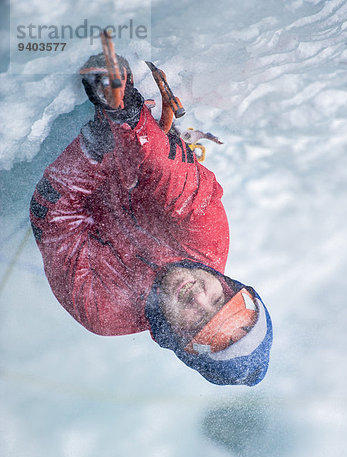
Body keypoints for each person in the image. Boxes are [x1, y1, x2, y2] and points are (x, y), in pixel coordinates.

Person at [30, 53, 272, 386]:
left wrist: (96, 147)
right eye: (218, 299)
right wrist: (127, 114)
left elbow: (51, 218)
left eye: (198, 319)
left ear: (176, 338)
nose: (198, 297)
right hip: (136, 155)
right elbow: (165, 171)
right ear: (229, 284)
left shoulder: (103, 311)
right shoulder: (207, 237)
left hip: (89, 175)